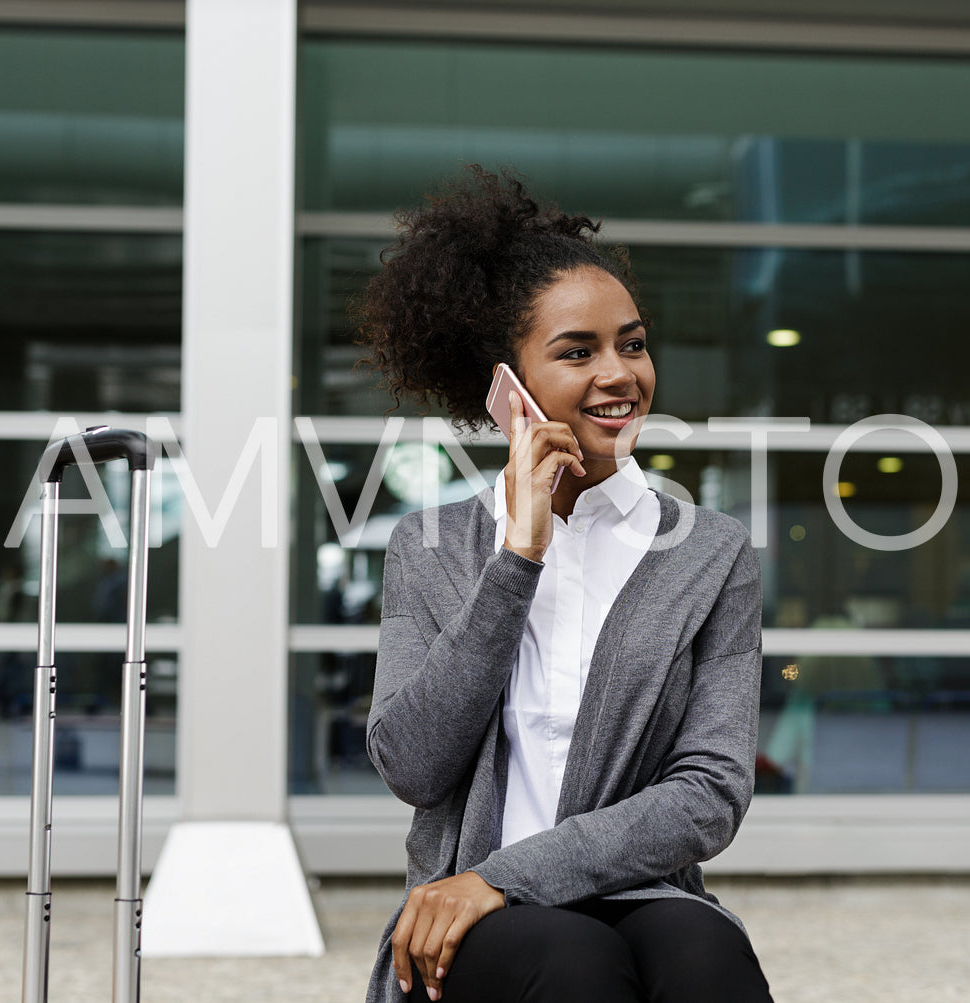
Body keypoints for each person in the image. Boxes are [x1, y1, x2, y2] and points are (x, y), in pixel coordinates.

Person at [356, 167, 773, 1003]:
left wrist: (507, 875)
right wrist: (517, 557)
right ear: (507, 387)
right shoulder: (431, 544)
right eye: (576, 351)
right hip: (467, 915)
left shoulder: (713, 553)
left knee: (705, 954)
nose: (619, 373)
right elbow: (411, 763)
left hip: (635, 892)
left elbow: (709, 793)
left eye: (632, 341)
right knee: (571, 962)